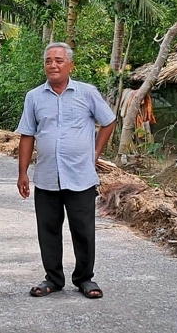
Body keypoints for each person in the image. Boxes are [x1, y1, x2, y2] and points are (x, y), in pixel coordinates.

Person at [17, 42, 116, 299]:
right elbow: (27, 135)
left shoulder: (87, 93)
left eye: (59, 60)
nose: (53, 65)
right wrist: (23, 173)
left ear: (70, 65)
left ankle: (85, 279)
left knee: (83, 229)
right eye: (48, 60)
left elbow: (109, 121)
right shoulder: (34, 97)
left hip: (80, 176)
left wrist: (95, 153)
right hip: (47, 176)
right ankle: (53, 278)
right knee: (48, 229)